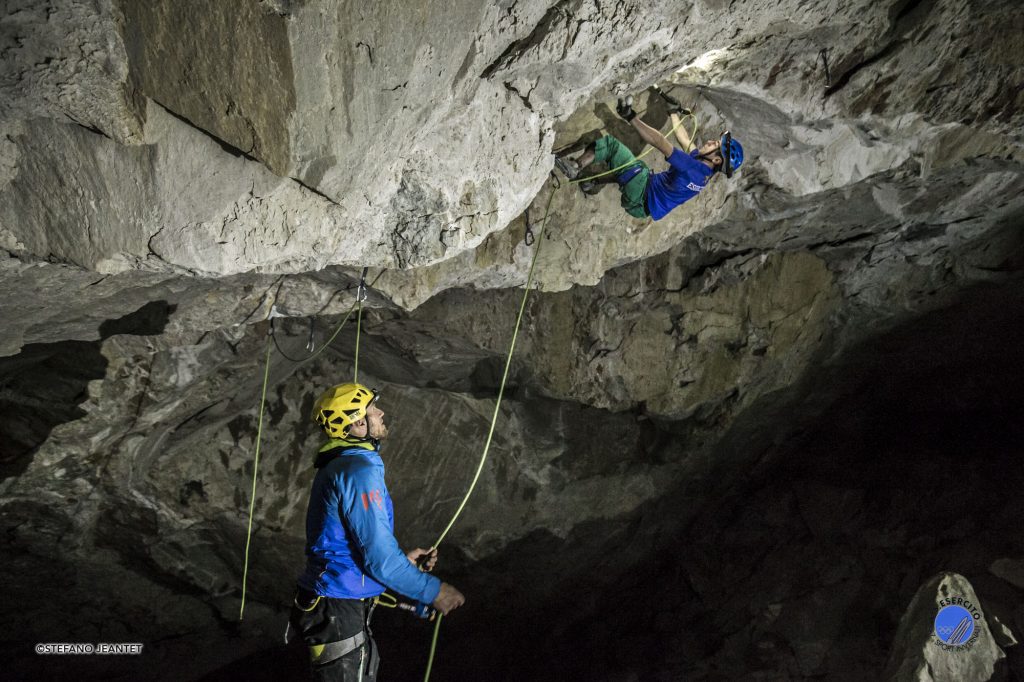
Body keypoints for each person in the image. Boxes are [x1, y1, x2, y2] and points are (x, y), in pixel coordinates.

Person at [290, 382, 465, 681]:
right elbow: (379, 558)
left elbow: (350, 546)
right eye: (372, 410)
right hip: (338, 608)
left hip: (336, 604)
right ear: (358, 425)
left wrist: (403, 564)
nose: (381, 412)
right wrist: (432, 591)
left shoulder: (344, 466)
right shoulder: (358, 471)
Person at [555, 92, 744, 221]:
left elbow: (659, 141)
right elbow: (685, 139)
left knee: (614, 148)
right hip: (642, 205)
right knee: (634, 170)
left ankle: (575, 167)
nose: (710, 141)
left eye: (715, 145)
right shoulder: (704, 172)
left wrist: (631, 117)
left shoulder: (692, 168)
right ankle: (592, 182)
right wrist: (673, 113)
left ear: (717, 159)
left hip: (640, 195)